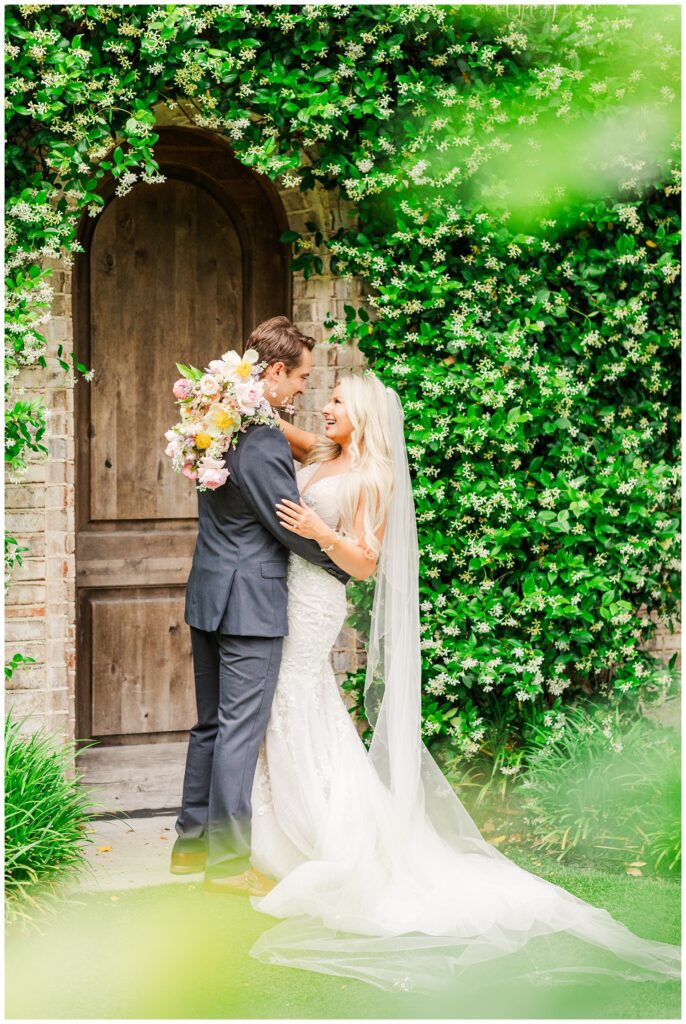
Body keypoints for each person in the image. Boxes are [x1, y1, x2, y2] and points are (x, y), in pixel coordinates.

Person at [238, 369, 680, 993]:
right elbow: (269, 421)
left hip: (317, 601)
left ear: (362, 414)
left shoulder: (373, 477)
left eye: (336, 401)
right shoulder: (321, 452)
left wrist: (320, 531)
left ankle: (315, 838)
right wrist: (233, 393)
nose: (325, 407)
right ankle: (283, 829)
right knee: (293, 705)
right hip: (279, 594)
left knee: (293, 699)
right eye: (326, 398)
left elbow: (365, 564)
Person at [171, 317, 350, 892]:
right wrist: (337, 563)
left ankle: (190, 847)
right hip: (250, 603)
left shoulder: (212, 419)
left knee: (210, 725)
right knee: (240, 730)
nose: (304, 389)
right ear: (273, 373)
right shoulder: (264, 436)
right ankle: (227, 865)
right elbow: (287, 524)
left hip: (208, 590)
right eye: (300, 377)